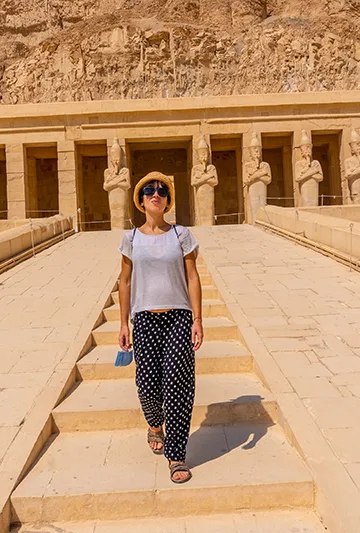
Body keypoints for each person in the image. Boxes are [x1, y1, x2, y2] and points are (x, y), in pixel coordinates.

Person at [117, 171, 204, 484]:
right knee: (148, 384)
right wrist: (123, 321)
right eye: (150, 191)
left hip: (178, 316)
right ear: (141, 202)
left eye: (162, 191)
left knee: (179, 384)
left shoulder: (181, 235)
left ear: (168, 201)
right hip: (144, 318)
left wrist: (197, 318)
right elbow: (124, 281)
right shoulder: (131, 239)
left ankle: (176, 454)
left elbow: (192, 276)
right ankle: (155, 423)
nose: (156, 194)